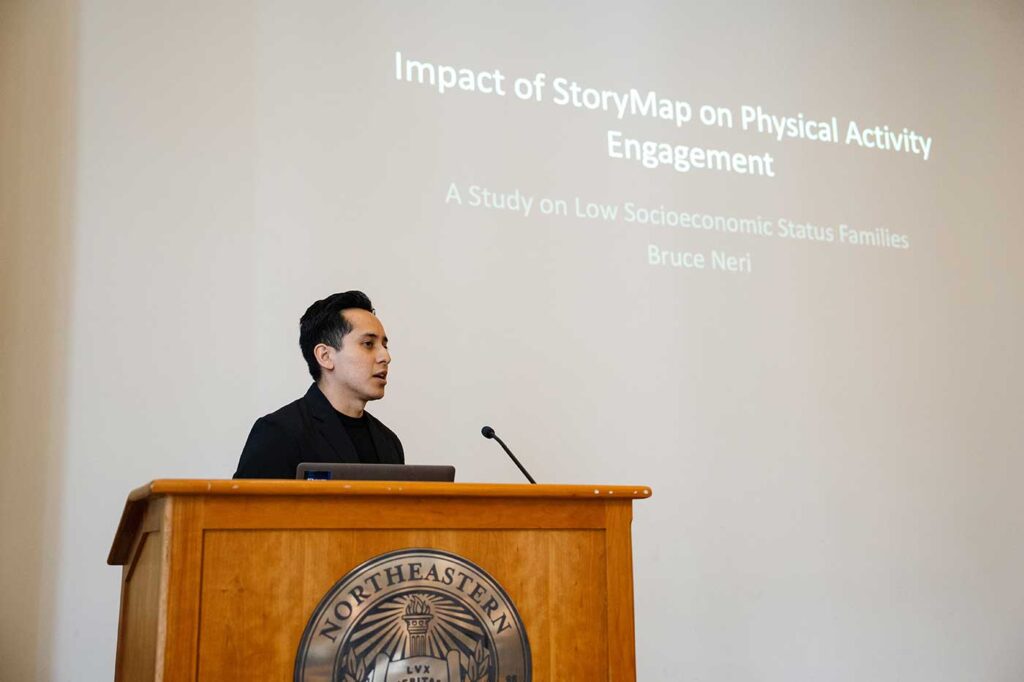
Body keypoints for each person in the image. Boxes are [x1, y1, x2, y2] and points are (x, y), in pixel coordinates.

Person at [233, 290, 404, 478]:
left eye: (385, 345)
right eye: (368, 344)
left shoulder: (389, 442)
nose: (385, 357)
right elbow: (244, 508)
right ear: (325, 356)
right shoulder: (279, 432)